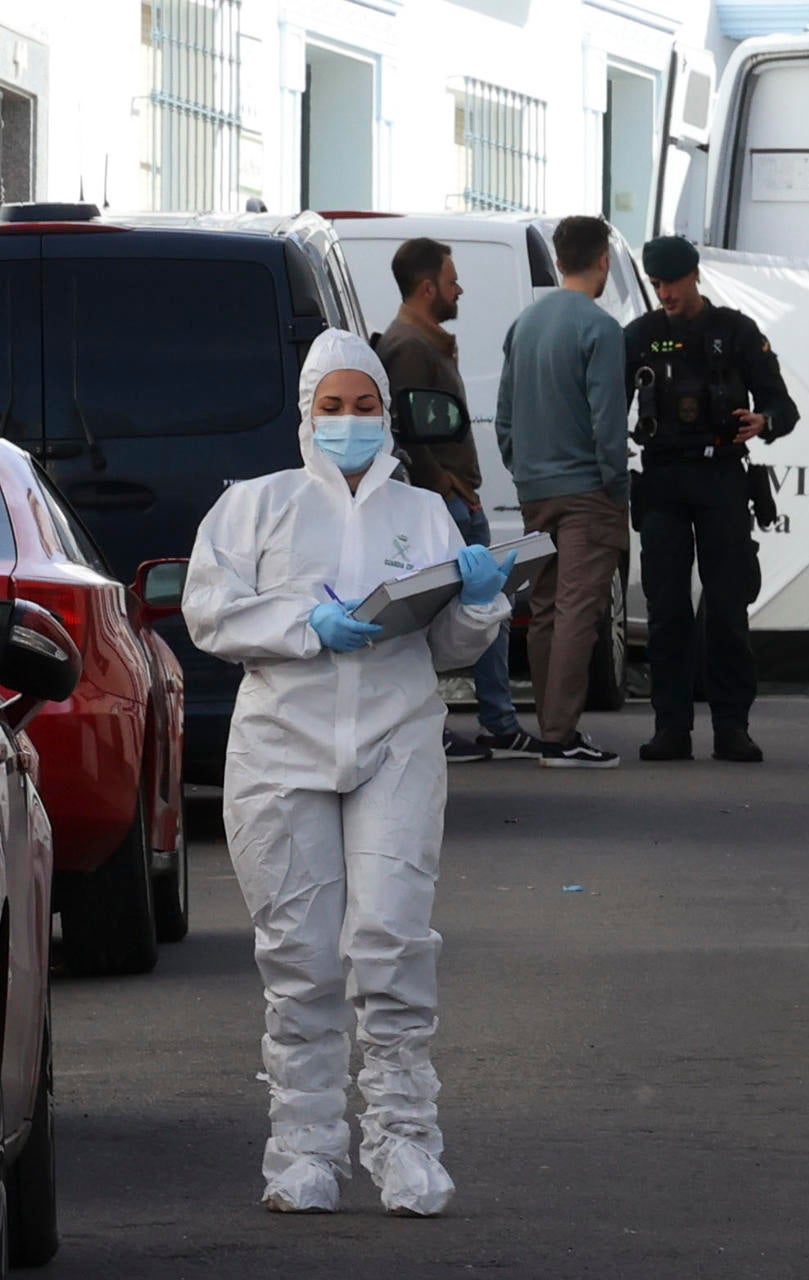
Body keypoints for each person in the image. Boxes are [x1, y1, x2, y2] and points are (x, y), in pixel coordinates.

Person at [183, 330, 514, 1216]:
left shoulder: (423, 514)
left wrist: (479, 600)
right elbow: (209, 612)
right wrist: (304, 625)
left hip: (397, 740)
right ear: (306, 415)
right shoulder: (257, 507)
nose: (349, 423)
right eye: (332, 408)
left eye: (364, 406)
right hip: (280, 748)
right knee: (300, 958)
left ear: (386, 414)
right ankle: (303, 1150)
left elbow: (448, 643)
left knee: (392, 943)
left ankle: (405, 1142)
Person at [626, 235, 798, 765]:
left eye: (671, 282)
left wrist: (763, 421)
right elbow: (607, 404)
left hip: (722, 476)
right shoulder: (641, 335)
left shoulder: (737, 332)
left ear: (694, 275)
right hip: (663, 481)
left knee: (727, 608)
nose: (664, 293)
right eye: (656, 284)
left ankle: (732, 727)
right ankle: (671, 727)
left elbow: (783, 405)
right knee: (666, 609)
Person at [376, 236, 539, 764]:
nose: (459, 288)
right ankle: (437, 726)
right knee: (436, 619)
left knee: (490, 610)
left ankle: (499, 723)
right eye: (451, 281)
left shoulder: (429, 342)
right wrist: (443, 488)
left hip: (460, 500)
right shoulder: (407, 347)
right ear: (428, 288)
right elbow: (405, 429)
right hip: (443, 504)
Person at [497, 215, 630, 768]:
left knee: (547, 607)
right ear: (603, 260)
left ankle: (550, 727)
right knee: (580, 607)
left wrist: (524, 467)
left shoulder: (523, 326)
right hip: (586, 490)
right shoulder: (601, 329)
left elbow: (504, 418)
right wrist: (615, 487)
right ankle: (560, 733)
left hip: (535, 489)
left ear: (556, 261)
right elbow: (608, 421)